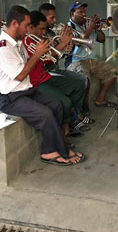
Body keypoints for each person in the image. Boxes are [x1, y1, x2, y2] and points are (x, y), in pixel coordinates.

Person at [0, 5, 85, 165]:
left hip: (26, 91)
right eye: (27, 25)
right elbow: (20, 75)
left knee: (56, 105)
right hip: (10, 98)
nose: (29, 29)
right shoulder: (3, 47)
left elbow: (35, 63)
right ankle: (54, 151)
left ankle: (54, 148)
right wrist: (37, 54)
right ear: (15, 24)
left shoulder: (17, 43)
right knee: (45, 114)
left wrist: (53, 50)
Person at [24, 11, 86, 141]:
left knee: (79, 84)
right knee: (65, 102)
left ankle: (67, 120)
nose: (43, 32)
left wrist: (63, 50)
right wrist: (62, 44)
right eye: (40, 29)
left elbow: (49, 60)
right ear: (31, 28)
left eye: (44, 29)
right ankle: (63, 131)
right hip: (35, 82)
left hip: (45, 76)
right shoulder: (27, 41)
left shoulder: (40, 39)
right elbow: (44, 58)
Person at [39, 2, 95, 131]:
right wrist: (62, 47)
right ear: (43, 18)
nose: (55, 20)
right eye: (52, 17)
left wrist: (65, 49)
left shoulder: (53, 33)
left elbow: (58, 57)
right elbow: (46, 58)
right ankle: (75, 119)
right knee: (79, 81)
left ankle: (76, 115)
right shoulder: (39, 35)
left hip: (54, 69)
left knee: (82, 80)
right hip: (47, 73)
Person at [66, 1, 118, 108]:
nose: (84, 14)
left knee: (112, 72)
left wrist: (98, 29)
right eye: (80, 12)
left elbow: (102, 39)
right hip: (75, 61)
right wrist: (89, 28)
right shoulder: (68, 27)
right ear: (72, 14)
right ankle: (83, 107)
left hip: (90, 60)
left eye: (84, 12)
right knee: (85, 81)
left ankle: (100, 99)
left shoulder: (87, 25)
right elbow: (79, 43)